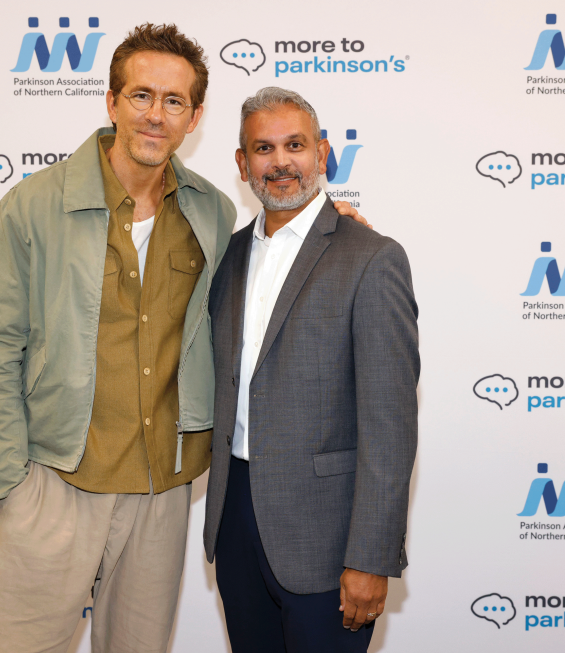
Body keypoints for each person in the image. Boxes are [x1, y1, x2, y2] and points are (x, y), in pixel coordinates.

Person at [0, 26, 366, 653]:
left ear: (195, 117)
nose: (156, 114)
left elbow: (281, 242)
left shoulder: (210, 211)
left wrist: (332, 224)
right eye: (142, 95)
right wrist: (11, 486)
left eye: (174, 101)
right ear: (112, 102)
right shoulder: (33, 205)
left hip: (162, 492)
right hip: (53, 483)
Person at [203, 87, 420, 653]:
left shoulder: (372, 257)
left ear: (322, 154)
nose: (280, 163)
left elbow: (390, 424)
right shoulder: (225, 260)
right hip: (236, 523)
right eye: (263, 148)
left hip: (328, 540)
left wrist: (371, 557)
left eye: (295, 145)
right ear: (241, 163)